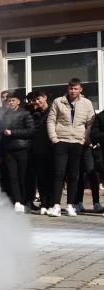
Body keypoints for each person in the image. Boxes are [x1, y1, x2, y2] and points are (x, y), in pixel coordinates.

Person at [47, 78, 95, 217]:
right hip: (61, 141)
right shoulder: (58, 101)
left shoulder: (87, 103)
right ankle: (56, 205)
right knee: (59, 173)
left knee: (74, 175)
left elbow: (90, 123)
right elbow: (51, 120)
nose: (73, 91)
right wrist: (54, 138)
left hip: (77, 142)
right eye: (70, 88)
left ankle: (70, 205)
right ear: (67, 89)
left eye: (75, 88)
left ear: (81, 89)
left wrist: (83, 139)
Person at [0, 92, 34, 213]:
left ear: (18, 101)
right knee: (12, 176)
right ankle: (17, 202)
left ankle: (25, 201)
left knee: (23, 176)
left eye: (13, 100)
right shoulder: (4, 115)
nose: (11, 103)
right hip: (8, 149)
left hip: (22, 148)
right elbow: (0, 128)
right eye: (9, 101)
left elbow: (30, 131)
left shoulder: (25, 113)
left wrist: (13, 133)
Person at [30, 91, 53, 215]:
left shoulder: (52, 111)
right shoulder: (34, 113)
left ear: (45, 98)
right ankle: (43, 203)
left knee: (51, 177)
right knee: (41, 178)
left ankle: (51, 203)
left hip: (50, 149)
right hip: (37, 150)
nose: (37, 102)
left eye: (39, 99)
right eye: (35, 100)